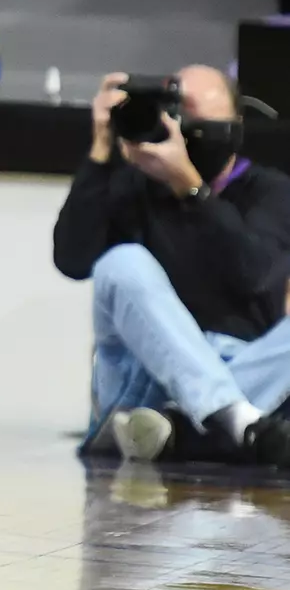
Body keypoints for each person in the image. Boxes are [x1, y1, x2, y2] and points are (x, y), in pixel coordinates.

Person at [55, 67, 290, 468]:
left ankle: (181, 429)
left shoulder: (270, 191)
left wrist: (191, 188)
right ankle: (231, 420)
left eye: (197, 119)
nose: (183, 129)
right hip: (144, 382)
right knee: (121, 262)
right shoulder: (134, 184)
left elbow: (254, 273)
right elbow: (73, 260)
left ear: (232, 128)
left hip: (240, 368)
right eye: (175, 113)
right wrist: (100, 149)